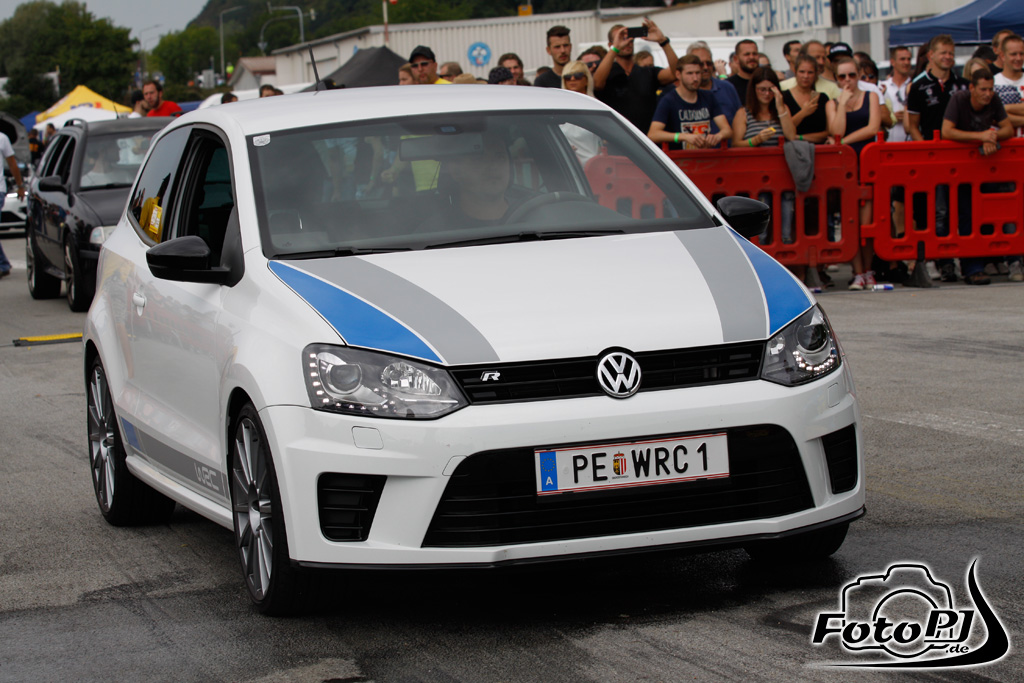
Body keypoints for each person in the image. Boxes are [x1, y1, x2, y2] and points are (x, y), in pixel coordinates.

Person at [941, 67, 1013, 285]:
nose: (988, 94)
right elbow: (947, 131)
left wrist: (992, 137)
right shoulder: (959, 99)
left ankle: (984, 262)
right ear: (972, 87)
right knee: (965, 215)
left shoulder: (994, 100)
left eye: (990, 89)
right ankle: (971, 267)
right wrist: (981, 136)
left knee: (985, 214)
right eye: (983, 89)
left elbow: (1008, 129)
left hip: (984, 167)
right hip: (958, 168)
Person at [827, 57, 881, 290]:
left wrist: (843, 143)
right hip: (845, 170)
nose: (847, 80)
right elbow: (835, 131)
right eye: (842, 76)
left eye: (852, 75)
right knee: (851, 223)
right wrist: (842, 105)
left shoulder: (872, 96)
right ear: (836, 79)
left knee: (866, 224)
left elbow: (873, 128)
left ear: (859, 75)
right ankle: (857, 273)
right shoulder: (832, 103)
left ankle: (868, 270)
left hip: (867, 165)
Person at [593, 19, 679, 132]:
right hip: (616, 136)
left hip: (644, 136)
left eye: (629, 38)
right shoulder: (608, 72)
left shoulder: (646, 72)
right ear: (610, 45)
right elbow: (597, 84)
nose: (626, 42)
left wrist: (663, 42)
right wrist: (615, 48)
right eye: (621, 38)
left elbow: (675, 73)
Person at [648, 55, 731, 150]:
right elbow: (653, 134)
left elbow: (727, 130)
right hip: (680, 157)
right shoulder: (669, 100)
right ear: (678, 75)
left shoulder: (708, 97)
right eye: (690, 73)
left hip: (704, 155)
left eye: (698, 73)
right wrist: (683, 136)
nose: (695, 78)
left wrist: (717, 136)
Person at [687, 42, 742, 136]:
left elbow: (740, 120)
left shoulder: (727, 88)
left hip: (727, 144)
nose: (706, 67)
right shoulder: (684, 93)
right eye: (701, 64)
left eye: (709, 63)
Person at [732, 67, 795, 148]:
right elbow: (736, 144)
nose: (767, 93)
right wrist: (756, 140)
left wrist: (780, 108)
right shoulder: (743, 113)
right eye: (762, 89)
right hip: (754, 155)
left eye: (771, 89)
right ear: (754, 89)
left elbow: (791, 137)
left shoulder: (783, 108)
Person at [559, 61, 602, 164]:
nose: (572, 79)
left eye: (578, 75)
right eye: (568, 77)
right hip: (568, 166)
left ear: (586, 80)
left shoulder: (597, 107)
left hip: (595, 166)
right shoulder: (557, 109)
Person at [782, 54, 831, 143]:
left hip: (818, 148)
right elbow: (783, 128)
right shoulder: (784, 97)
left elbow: (827, 132)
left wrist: (799, 137)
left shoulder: (823, 98)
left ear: (815, 74)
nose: (806, 76)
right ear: (795, 72)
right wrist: (803, 112)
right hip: (791, 148)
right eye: (802, 72)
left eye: (810, 72)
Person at [0, 130, 25, 277]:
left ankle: (2, 264)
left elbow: (12, 163)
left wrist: (20, 186)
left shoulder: (2, 138)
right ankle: (3, 263)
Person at [880, 45, 913, 142]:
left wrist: (908, 118)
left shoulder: (914, 86)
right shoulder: (882, 86)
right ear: (892, 62)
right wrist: (890, 117)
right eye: (902, 59)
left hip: (910, 142)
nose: (906, 62)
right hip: (887, 142)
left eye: (909, 59)